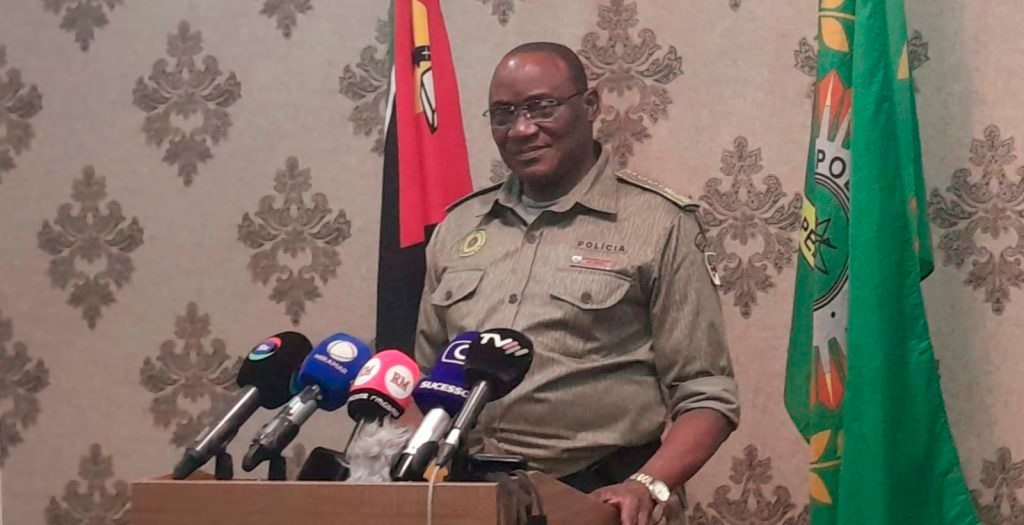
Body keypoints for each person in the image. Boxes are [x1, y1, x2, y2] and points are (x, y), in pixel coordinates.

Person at [414, 42, 739, 525]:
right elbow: (424, 381)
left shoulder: (659, 223)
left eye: (541, 107)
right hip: (467, 496)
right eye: (504, 114)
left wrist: (646, 484)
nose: (522, 129)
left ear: (589, 106)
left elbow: (707, 394)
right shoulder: (458, 226)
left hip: (596, 498)